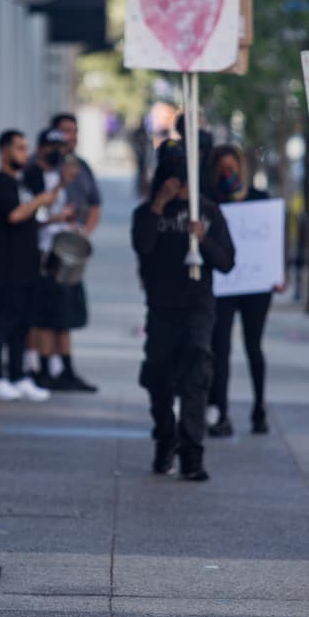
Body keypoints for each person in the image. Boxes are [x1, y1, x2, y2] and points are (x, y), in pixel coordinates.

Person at [132, 143, 235, 481]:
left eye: (185, 183)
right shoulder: (147, 212)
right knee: (158, 377)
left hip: (198, 308)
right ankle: (165, 438)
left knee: (195, 376)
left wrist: (203, 240)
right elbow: (143, 247)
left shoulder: (208, 212)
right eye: (174, 183)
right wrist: (159, 204)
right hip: (162, 308)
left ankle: (193, 454)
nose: (181, 190)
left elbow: (227, 262)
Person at [204, 144, 275, 438]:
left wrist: (276, 272)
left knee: (253, 345)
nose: (227, 175)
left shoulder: (260, 200)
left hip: (256, 284)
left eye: (231, 169)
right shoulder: (209, 203)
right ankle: (219, 409)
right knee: (220, 347)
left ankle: (259, 407)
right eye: (221, 170)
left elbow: (272, 238)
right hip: (225, 283)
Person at [23, 129, 95, 392]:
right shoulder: (32, 175)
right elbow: (35, 214)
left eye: (61, 148)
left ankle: (65, 368)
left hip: (63, 252)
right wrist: (61, 190)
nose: (57, 153)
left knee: (63, 316)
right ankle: (41, 368)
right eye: (52, 147)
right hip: (42, 254)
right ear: (40, 148)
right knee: (44, 316)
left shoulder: (63, 174)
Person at [0, 129, 55, 402]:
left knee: (23, 324)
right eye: (19, 148)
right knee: (5, 322)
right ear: (4, 150)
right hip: (8, 269)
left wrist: (53, 216)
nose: (25, 153)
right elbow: (14, 215)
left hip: (28, 268)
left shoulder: (20, 183)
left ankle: (18, 375)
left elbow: (26, 220)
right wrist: (40, 201)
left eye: (26, 148)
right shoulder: (0, 183)